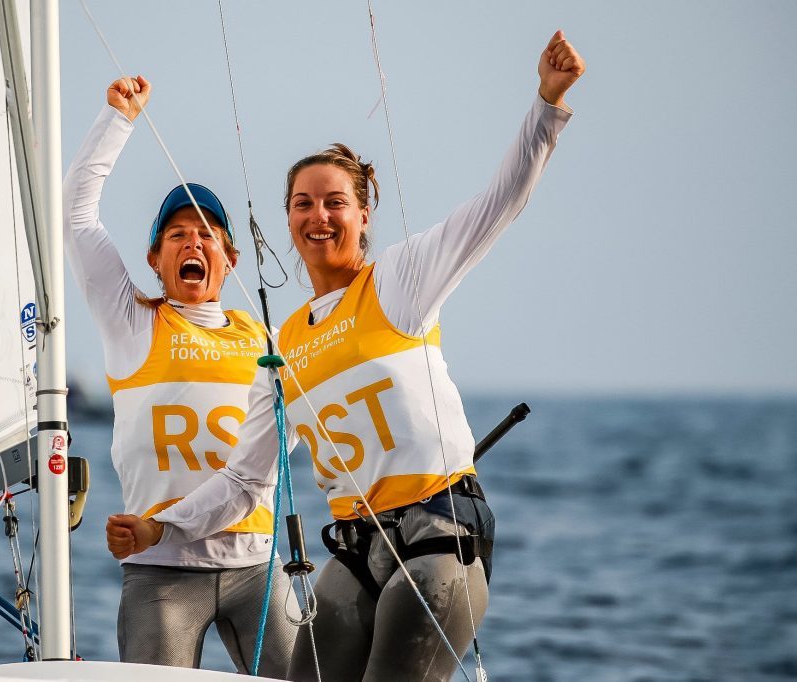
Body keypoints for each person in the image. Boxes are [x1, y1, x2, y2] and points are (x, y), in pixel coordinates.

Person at [107, 31, 585, 681]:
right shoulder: (284, 346)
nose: (319, 216)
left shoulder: (400, 281)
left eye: (336, 202)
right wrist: (160, 528)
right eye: (303, 203)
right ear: (287, 220)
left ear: (363, 215)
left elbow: (497, 204)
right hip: (359, 553)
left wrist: (547, 106)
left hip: (438, 540)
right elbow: (243, 483)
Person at [63, 75, 296, 676]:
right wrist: (118, 120)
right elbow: (77, 218)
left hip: (257, 565)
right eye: (177, 234)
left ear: (229, 260)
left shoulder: (269, 340)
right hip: (159, 568)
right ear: (155, 258)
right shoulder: (131, 321)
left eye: (207, 235)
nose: (194, 242)